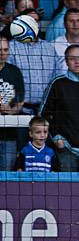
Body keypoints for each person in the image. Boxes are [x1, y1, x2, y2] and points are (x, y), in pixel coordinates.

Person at [40, 44, 79, 172]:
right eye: (72, 58)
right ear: (66, 61)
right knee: (66, 189)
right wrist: (56, 137)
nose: (77, 61)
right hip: (66, 148)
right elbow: (44, 113)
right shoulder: (58, 83)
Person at [0, 36, 24, 170]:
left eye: (5, 49)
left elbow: (21, 101)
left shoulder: (14, 71)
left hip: (8, 133)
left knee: (6, 175)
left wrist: (11, 111)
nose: (2, 53)